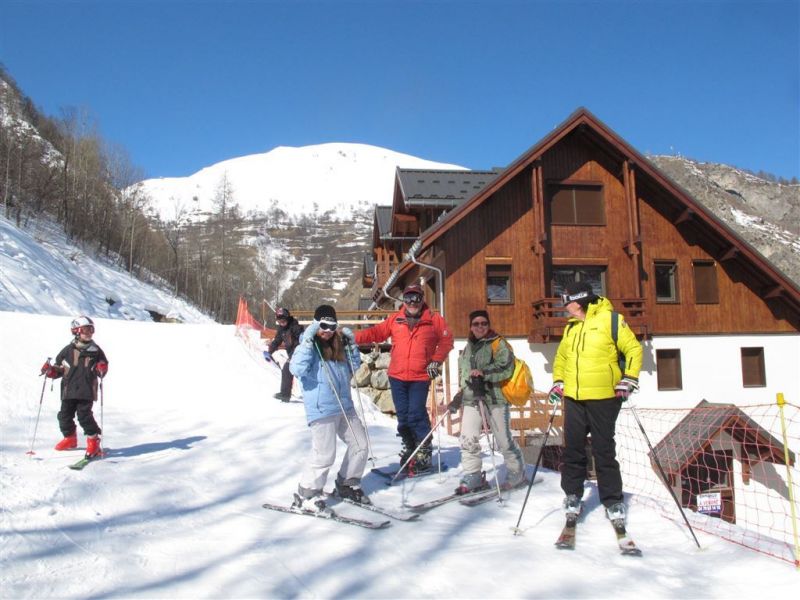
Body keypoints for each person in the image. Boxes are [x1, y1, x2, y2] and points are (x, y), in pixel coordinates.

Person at [549, 281, 643, 524]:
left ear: (577, 300)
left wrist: (629, 379)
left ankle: (612, 500)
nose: (563, 305)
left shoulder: (610, 320)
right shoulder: (571, 328)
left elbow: (633, 349)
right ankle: (572, 495)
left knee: (603, 449)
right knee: (573, 449)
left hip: (604, 397)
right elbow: (561, 358)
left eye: (565, 300)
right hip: (574, 397)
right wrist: (558, 381)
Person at [355, 283, 454, 473]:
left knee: (416, 414)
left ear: (422, 299)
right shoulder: (396, 319)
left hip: (420, 376)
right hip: (397, 376)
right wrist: (354, 337)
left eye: (416, 297)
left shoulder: (434, 319)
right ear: (404, 300)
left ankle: (424, 451)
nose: (412, 302)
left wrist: (436, 360)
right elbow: (375, 333)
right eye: (408, 298)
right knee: (402, 416)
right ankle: (410, 447)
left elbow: (446, 340)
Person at [289, 304, 368, 512]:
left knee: (360, 445)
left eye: (332, 326)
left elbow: (354, 367)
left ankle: (347, 483)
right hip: (322, 409)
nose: (327, 331)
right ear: (315, 325)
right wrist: (307, 339)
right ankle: (307, 493)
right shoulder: (307, 347)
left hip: (344, 407)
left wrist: (351, 347)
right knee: (325, 454)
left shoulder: (337, 345)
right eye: (323, 325)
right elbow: (296, 368)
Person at [451, 310, 527, 494]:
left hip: (495, 399)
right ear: (470, 326)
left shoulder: (498, 343)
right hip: (472, 399)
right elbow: (465, 373)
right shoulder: (469, 346)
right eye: (476, 324)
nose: (480, 327)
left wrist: (484, 373)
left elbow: (506, 368)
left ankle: (517, 472)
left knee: (502, 439)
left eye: (484, 323)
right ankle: (473, 475)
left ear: (488, 324)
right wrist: (460, 393)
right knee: (468, 439)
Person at [41, 316, 109, 459]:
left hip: (86, 391)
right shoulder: (67, 350)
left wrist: (101, 368)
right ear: (76, 331)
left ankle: (93, 441)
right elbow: (60, 368)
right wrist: (51, 371)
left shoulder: (96, 351)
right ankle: (70, 438)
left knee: (84, 416)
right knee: (64, 416)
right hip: (69, 390)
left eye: (92, 329)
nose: (89, 332)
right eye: (86, 329)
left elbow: (102, 369)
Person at [264, 307, 304, 402]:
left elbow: (302, 340)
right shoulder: (282, 329)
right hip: (292, 354)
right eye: (279, 321)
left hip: (299, 352)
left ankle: (286, 394)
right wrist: (270, 351)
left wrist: (296, 354)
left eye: (283, 321)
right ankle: (285, 394)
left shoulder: (295, 327)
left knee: (288, 369)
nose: (281, 323)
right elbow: (277, 340)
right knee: (287, 370)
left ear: (287, 318)